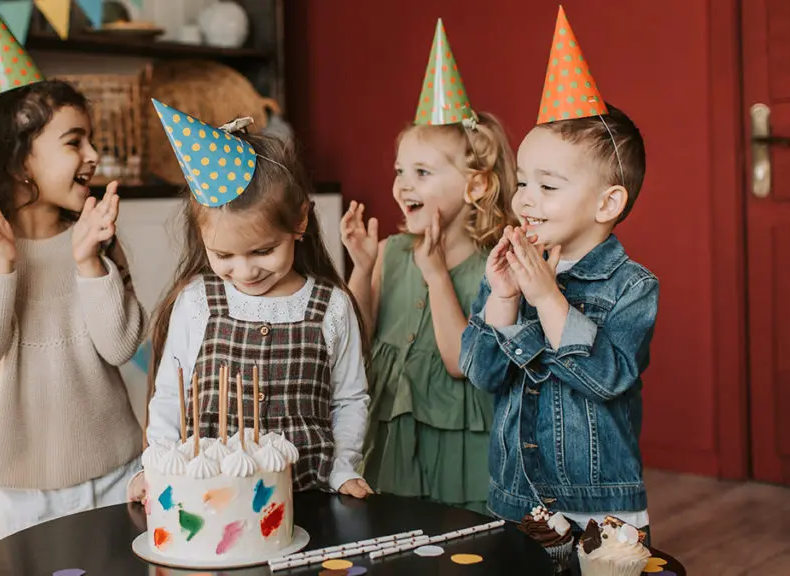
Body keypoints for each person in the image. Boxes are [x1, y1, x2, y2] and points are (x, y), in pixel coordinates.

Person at [0, 2, 145, 543]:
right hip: (17, 483)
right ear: (21, 159)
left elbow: (120, 346)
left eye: (90, 139)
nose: (93, 155)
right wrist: (1, 263)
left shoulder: (95, 234)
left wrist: (89, 260)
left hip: (114, 466)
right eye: (74, 142)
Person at [459, 7, 657, 541]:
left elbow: (608, 378)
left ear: (606, 202)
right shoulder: (511, 267)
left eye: (548, 186)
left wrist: (547, 299)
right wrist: (502, 299)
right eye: (523, 182)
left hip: (599, 505)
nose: (524, 199)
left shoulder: (633, 287)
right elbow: (481, 374)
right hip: (515, 496)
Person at [140, 100, 373, 497]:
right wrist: (158, 464)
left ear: (299, 221)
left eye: (262, 251)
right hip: (212, 500)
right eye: (224, 255)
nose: (245, 272)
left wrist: (343, 468)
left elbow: (349, 399)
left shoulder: (332, 306)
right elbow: (169, 396)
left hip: (308, 496)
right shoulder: (197, 302)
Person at [343, 19, 517, 513]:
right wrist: (361, 267)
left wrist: (437, 274)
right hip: (394, 432)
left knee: (458, 540)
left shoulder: (493, 266)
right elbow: (357, 338)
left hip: (458, 444)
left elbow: (458, 363)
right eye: (400, 171)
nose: (403, 185)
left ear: (476, 186)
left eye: (422, 173)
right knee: (393, 531)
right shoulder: (392, 253)